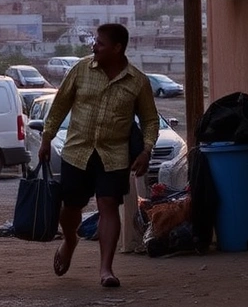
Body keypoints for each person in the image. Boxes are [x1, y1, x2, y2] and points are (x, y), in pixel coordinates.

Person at [38, 22, 159, 288]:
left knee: (108, 205)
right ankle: (70, 241)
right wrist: (47, 137)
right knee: (70, 208)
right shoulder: (81, 69)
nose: (94, 46)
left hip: (114, 155)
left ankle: (106, 269)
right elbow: (59, 106)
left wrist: (146, 151)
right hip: (77, 152)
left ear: (117, 48)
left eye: (100, 43)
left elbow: (150, 120)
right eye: (95, 41)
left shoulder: (137, 81)